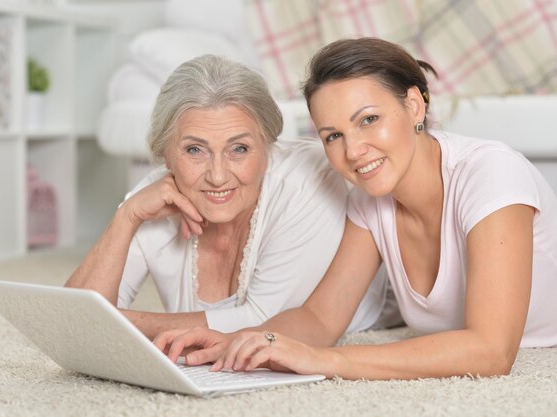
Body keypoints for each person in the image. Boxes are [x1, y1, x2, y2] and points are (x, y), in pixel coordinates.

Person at [154, 38, 557, 379]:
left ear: (415, 106)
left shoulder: (491, 174)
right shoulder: (371, 199)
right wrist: (245, 341)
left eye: (368, 120)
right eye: (332, 136)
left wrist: (327, 361)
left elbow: (492, 351)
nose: (352, 151)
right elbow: (320, 318)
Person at [65, 54, 392, 339]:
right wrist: (126, 218)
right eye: (195, 149)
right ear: (166, 154)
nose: (218, 175)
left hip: (382, 314)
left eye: (239, 149)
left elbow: (265, 321)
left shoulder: (308, 179)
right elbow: (70, 324)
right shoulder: (155, 196)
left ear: (268, 147)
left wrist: (119, 324)